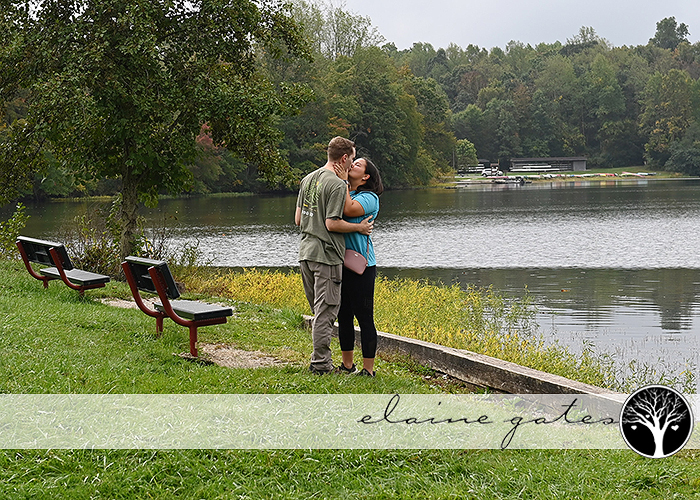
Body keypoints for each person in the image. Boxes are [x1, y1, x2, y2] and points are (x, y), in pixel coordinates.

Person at [295, 137, 374, 375]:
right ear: (344, 158)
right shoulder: (337, 185)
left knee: (320, 311)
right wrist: (359, 228)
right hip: (326, 255)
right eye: (352, 158)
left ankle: (328, 362)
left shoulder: (308, 179)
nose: (352, 164)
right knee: (326, 312)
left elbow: (298, 219)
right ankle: (321, 365)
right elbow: (332, 223)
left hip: (305, 253)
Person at [332, 157, 384, 377]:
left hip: (362, 266)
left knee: (364, 316)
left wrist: (343, 181)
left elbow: (348, 210)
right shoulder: (345, 191)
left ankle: (368, 370)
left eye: (358, 165)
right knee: (343, 314)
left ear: (365, 176)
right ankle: (347, 365)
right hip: (339, 261)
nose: (352, 165)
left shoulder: (369, 198)